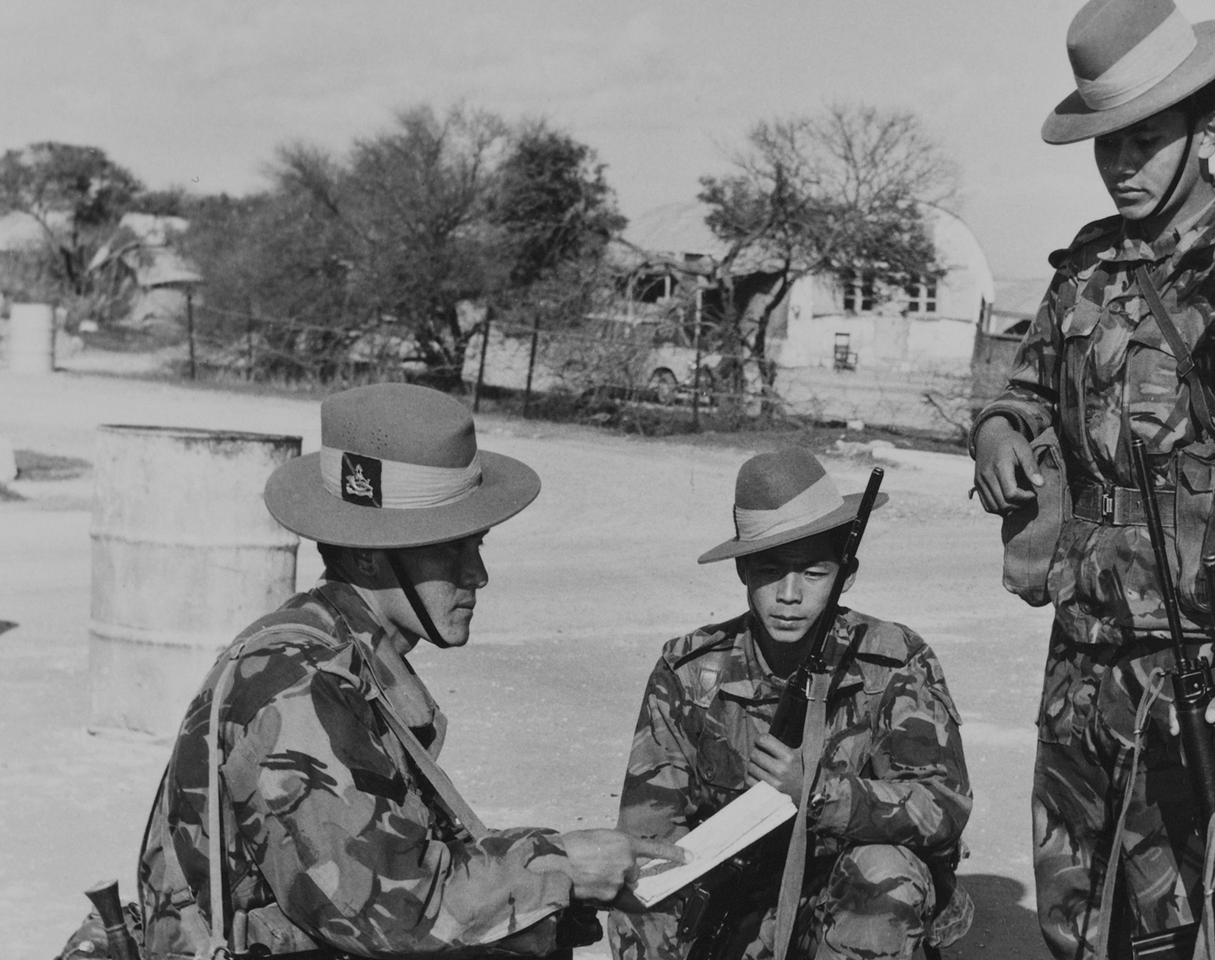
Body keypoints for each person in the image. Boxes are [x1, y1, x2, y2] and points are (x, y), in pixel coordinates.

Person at [970, 1, 1215, 954]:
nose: (1122, 165)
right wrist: (1000, 431)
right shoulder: (1085, 268)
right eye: (1107, 146)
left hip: (1197, 672)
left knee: (1183, 930)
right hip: (1081, 654)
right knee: (1071, 920)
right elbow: (1025, 387)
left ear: (1207, 133)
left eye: (1147, 139)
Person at [134, 383, 681, 958]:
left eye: (477, 545)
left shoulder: (346, 658)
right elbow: (393, 911)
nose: (477, 574)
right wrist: (560, 865)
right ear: (368, 554)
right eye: (449, 550)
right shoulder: (297, 687)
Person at [607, 448, 972, 960]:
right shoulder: (690, 671)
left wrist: (816, 792)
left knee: (887, 870)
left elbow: (943, 807)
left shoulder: (894, 662)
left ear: (846, 575)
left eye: (815, 573)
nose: (789, 594)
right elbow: (652, 833)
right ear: (743, 571)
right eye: (771, 570)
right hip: (737, 897)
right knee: (639, 896)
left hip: (840, 897)